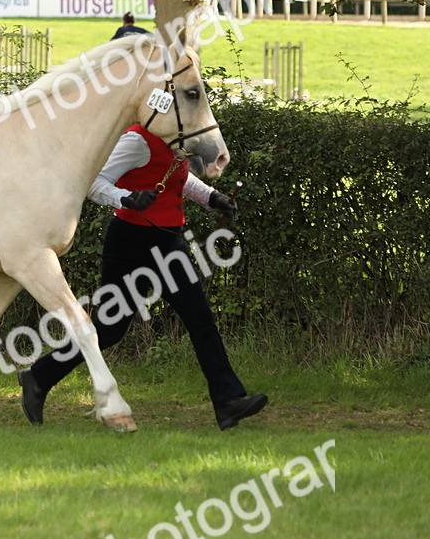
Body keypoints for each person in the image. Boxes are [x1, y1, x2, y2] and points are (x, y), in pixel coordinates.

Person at [18, 123, 269, 431]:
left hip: (167, 243)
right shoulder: (138, 140)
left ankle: (228, 402)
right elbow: (96, 182)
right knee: (110, 330)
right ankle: (39, 376)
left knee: (200, 319)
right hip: (130, 243)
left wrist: (212, 197)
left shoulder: (174, 139)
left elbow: (177, 176)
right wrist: (127, 199)